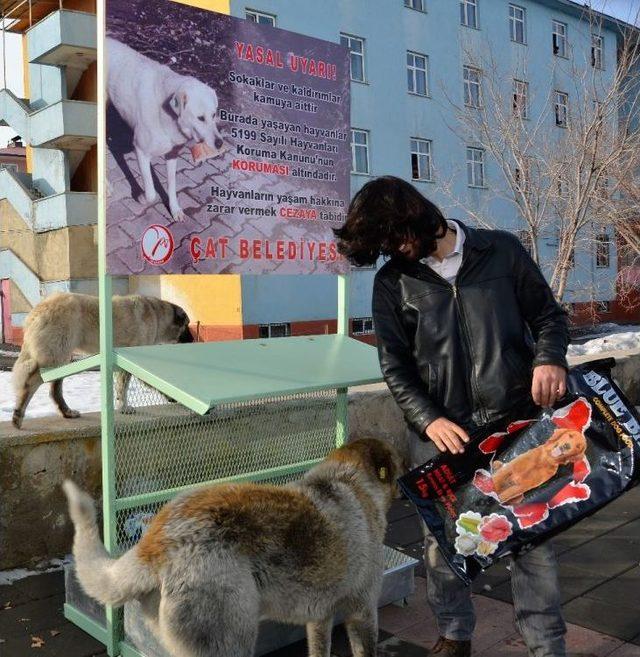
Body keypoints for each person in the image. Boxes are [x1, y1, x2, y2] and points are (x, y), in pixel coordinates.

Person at [334, 176, 568, 657]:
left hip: (516, 425)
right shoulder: (393, 282)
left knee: (533, 540)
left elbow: (548, 316)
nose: (396, 251)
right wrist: (428, 419)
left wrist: (549, 358)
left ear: (419, 216)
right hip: (442, 435)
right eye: (385, 246)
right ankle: (455, 634)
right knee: (445, 543)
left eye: (396, 237)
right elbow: (394, 365)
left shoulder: (501, 252)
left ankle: (546, 644)